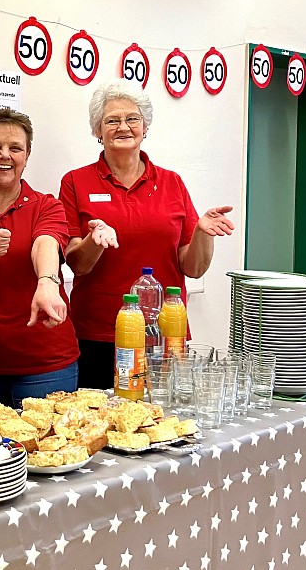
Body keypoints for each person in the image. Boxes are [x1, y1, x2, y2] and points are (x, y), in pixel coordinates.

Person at [59, 79, 235, 390]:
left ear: (145, 127)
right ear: (97, 131)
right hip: (99, 336)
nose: (123, 127)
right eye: (111, 120)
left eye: (132, 118)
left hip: (164, 334)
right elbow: (77, 263)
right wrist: (94, 240)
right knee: (104, 428)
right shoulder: (76, 182)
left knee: (166, 422)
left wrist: (203, 234)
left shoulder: (172, 183)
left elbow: (192, 268)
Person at [0, 109, 79, 407]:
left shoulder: (46, 206)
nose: (5, 155)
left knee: (47, 451)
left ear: (27, 155)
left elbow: (46, 242)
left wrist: (48, 282)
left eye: (15, 148)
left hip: (46, 365)